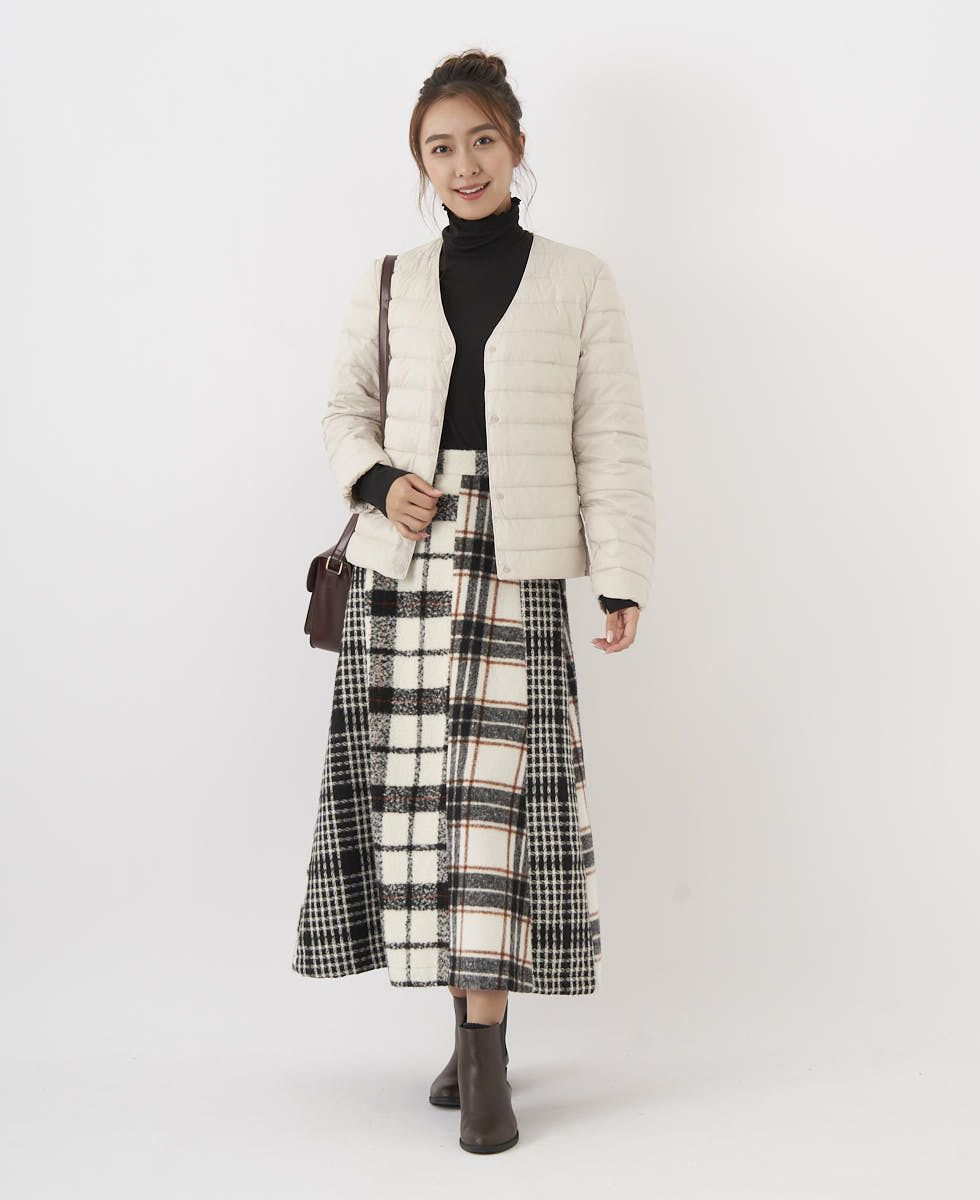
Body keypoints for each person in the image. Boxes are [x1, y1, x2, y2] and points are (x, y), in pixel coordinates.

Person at [293, 48, 656, 1155]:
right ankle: (467, 1033)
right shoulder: (390, 279)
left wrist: (621, 571)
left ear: (517, 147)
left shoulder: (579, 279)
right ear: (421, 163)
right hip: (405, 566)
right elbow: (343, 411)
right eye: (440, 147)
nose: (464, 164)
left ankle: (486, 1053)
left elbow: (610, 436)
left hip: (517, 558)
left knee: (493, 810)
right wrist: (375, 481)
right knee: (422, 817)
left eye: (482, 140)